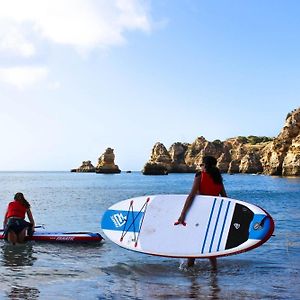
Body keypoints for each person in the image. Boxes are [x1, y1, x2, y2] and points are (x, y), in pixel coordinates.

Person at [175, 155, 227, 269]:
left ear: (204, 164)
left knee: (194, 240)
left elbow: (191, 195)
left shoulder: (200, 176)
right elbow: (225, 198)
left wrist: (182, 214)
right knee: (209, 241)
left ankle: (190, 270)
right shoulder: (218, 178)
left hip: (200, 213)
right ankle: (214, 271)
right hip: (213, 214)